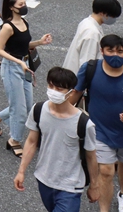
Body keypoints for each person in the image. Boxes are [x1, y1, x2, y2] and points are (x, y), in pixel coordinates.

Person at [69, 35, 123, 212]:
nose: (115, 55)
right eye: (110, 50)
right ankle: (104, 209)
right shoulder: (90, 69)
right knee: (107, 171)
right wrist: (57, 113)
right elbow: (76, 94)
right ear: (102, 51)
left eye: (120, 51)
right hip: (99, 131)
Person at [15, 66, 98, 212]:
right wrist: (21, 171)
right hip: (44, 179)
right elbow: (32, 141)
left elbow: (91, 157)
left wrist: (94, 185)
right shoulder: (38, 110)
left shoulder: (85, 124)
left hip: (70, 186)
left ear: (70, 93)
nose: (53, 91)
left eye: (59, 89)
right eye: (51, 86)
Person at [0, 0, 52, 158]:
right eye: (20, 5)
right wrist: (19, 62)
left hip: (24, 66)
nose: (24, 7)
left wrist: (39, 42)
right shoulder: (7, 27)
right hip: (12, 68)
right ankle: (14, 140)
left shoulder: (24, 22)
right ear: (11, 7)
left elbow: (23, 45)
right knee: (20, 109)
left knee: (26, 106)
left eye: (24, 3)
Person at [62, 0, 122, 74]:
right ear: (102, 13)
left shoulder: (86, 22)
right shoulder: (92, 33)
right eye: (112, 16)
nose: (113, 19)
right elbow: (87, 63)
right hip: (77, 80)